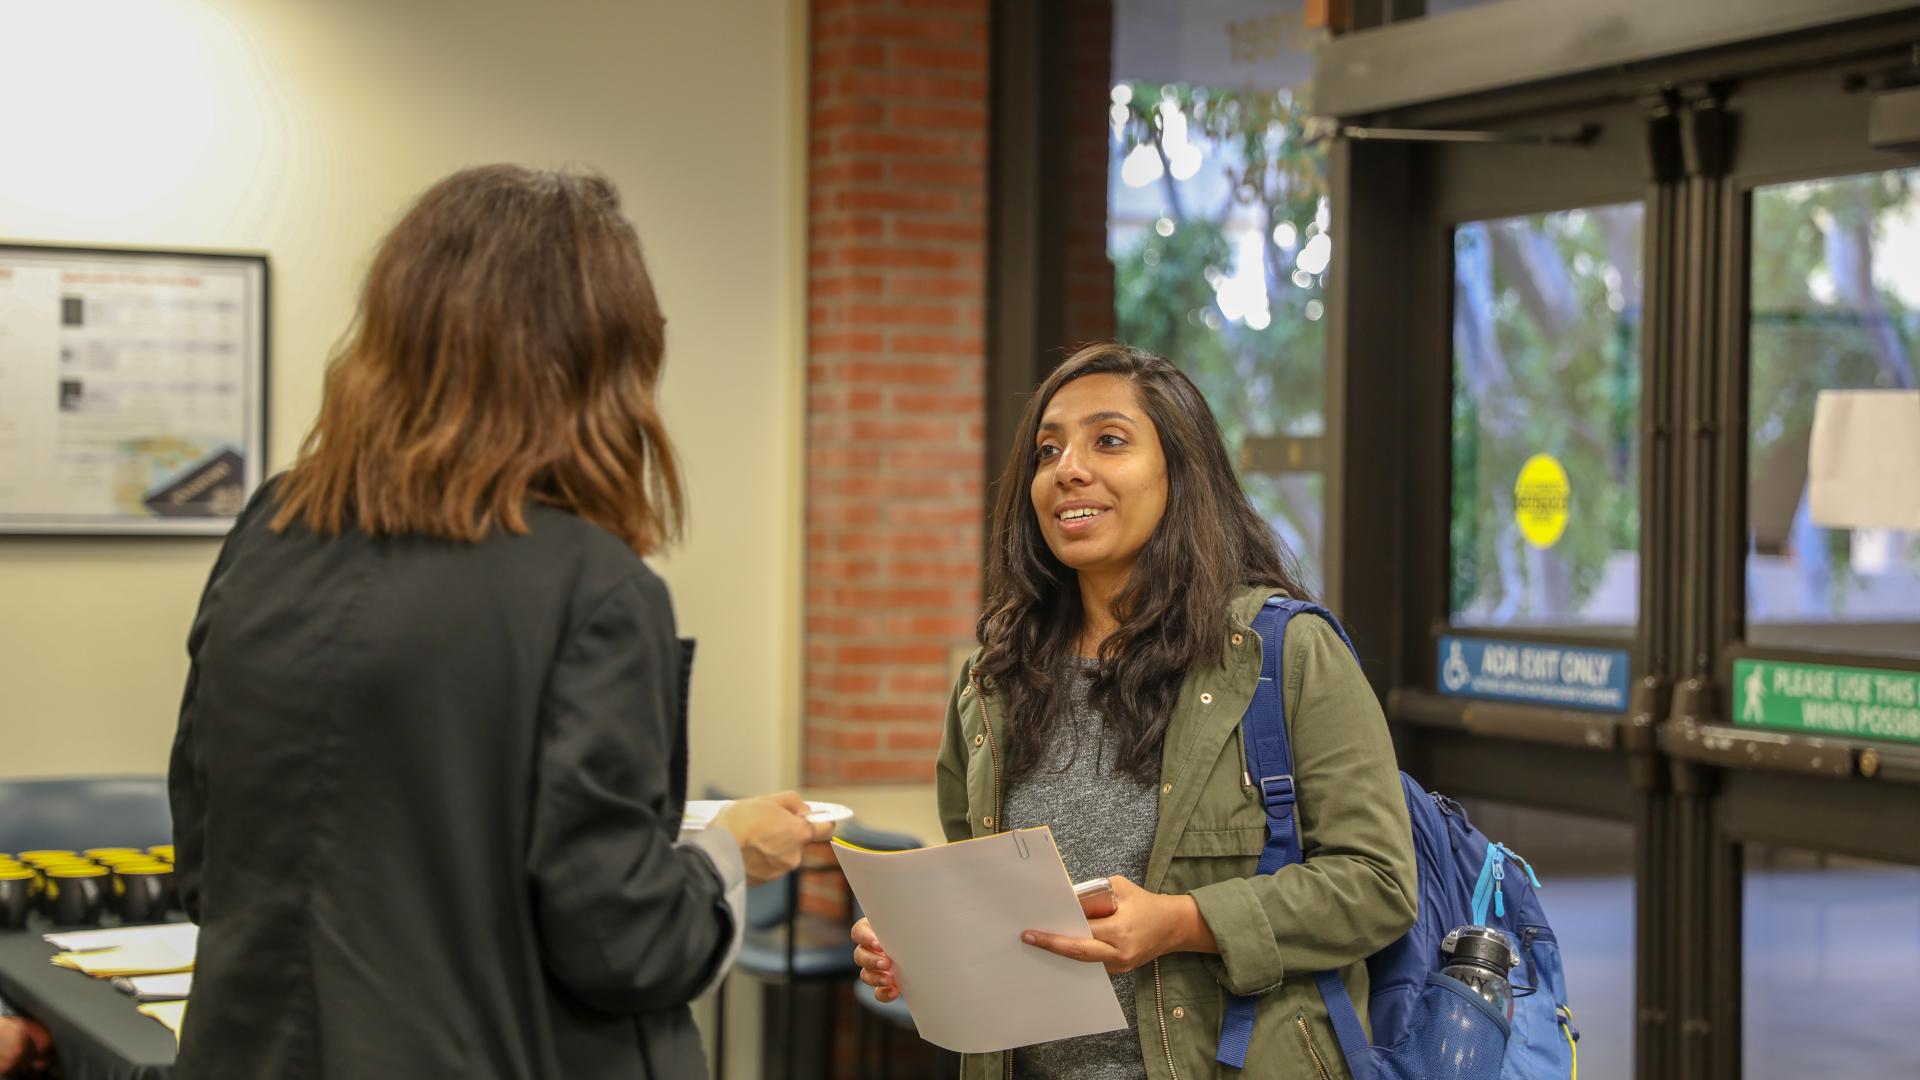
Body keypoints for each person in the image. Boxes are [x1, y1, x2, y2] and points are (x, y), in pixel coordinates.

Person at [167, 165, 828, 1079]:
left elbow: (208, 862)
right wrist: (722, 858)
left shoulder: (270, 531)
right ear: (595, 360)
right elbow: (624, 941)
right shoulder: (593, 587)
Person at [851, 344, 1417, 1079]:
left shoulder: (1285, 653)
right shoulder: (994, 677)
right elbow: (983, 894)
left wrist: (1185, 922)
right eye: (1047, 450)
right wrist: (924, 948)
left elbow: (1378, 885)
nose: (1068, 469)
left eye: (1108, 441)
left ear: (1181, 472)